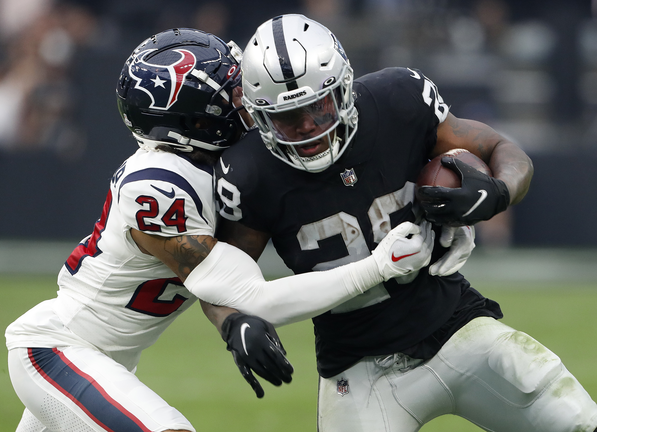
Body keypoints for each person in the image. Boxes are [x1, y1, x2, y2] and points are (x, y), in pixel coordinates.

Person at [5, 27, 447, 432]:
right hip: (58, 348)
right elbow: (255, 297)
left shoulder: (226, 166)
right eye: (232, 96)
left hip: (105, 360)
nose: (246, 102)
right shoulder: (159, 186)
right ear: (195, 121)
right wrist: (377, 267)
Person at [213, 14, 597, 432]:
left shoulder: (398, 100)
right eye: (289, 116)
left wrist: (497, 193)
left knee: (580, 422)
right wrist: (232, 321)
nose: (307, 127)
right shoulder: (248, 173)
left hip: (456, 328)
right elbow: (221, 279)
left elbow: (503, 148)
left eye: (317, 106)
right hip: (357, 369)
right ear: (261, 116)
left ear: (342, 87)